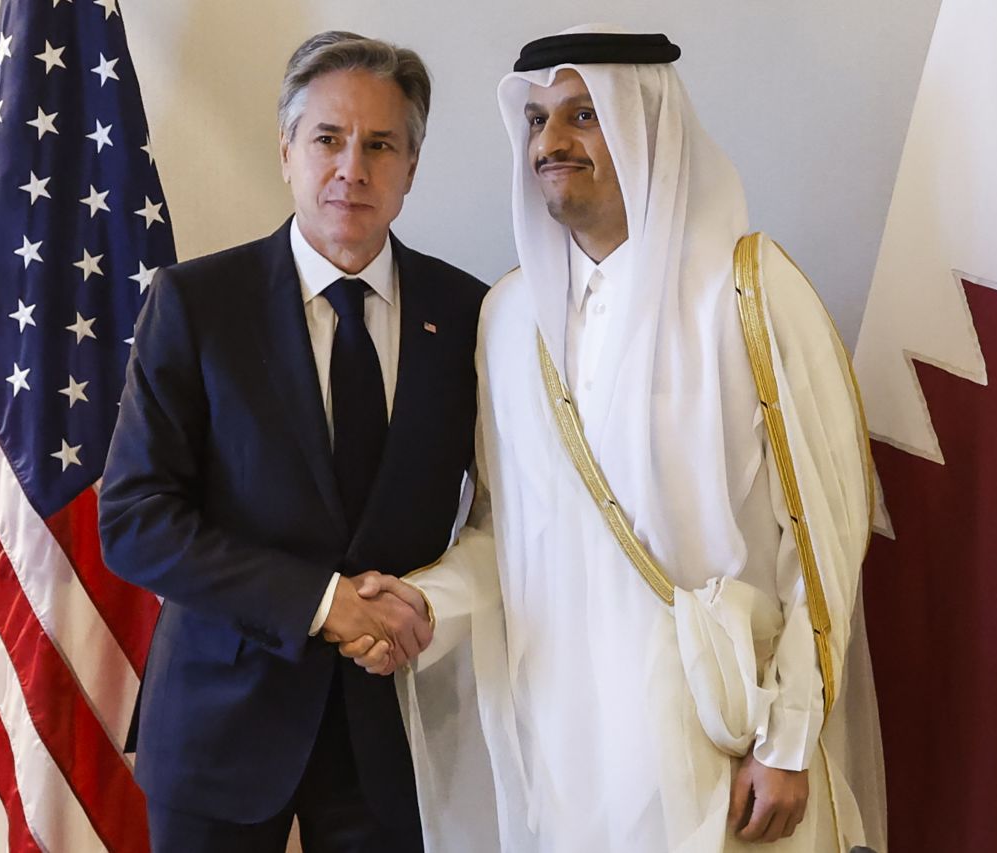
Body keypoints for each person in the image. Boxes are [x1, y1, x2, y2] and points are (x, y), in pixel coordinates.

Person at [341, 24, 886, 853]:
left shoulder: (749, 292)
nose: (550, 142)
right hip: (567, 752)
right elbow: (506, 538)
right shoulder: (512, 317)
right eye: (535, 121)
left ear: (648, 126)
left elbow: (821, 541)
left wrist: (789, 740)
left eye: (583, 116)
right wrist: (423, 603)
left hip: (723, 741)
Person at [99, 30, 482, 853]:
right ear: (286, 152)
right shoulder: (197, 304)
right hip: (217, 732)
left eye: (381, 144)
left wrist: (425, 604)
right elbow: (134, 521)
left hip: (392, 733)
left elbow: (502, 515)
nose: (353, 167)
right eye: (328, 139)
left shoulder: (470, 316)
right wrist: (322, 602)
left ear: (412, 167)